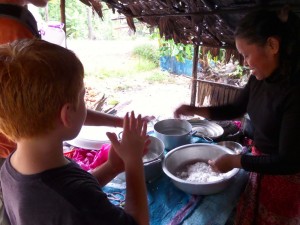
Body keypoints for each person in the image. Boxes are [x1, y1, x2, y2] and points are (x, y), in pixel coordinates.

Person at [0, 39, 150, 225]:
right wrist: (133, 160)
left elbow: (72, 192)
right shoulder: (73, 199)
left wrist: (112, 166)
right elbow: (138, 222)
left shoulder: (11, 168)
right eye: (83, 97)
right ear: (67, 114)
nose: (85, 105)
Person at [174, 9, 300, 225]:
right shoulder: (259, 80)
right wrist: (194, 109)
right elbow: (235, 108)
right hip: (258, 165)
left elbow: (288, 161)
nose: (245, 62)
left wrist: (236, 161)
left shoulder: (295, 93)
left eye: (247, 55)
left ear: (272, 45)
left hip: (283, 181)